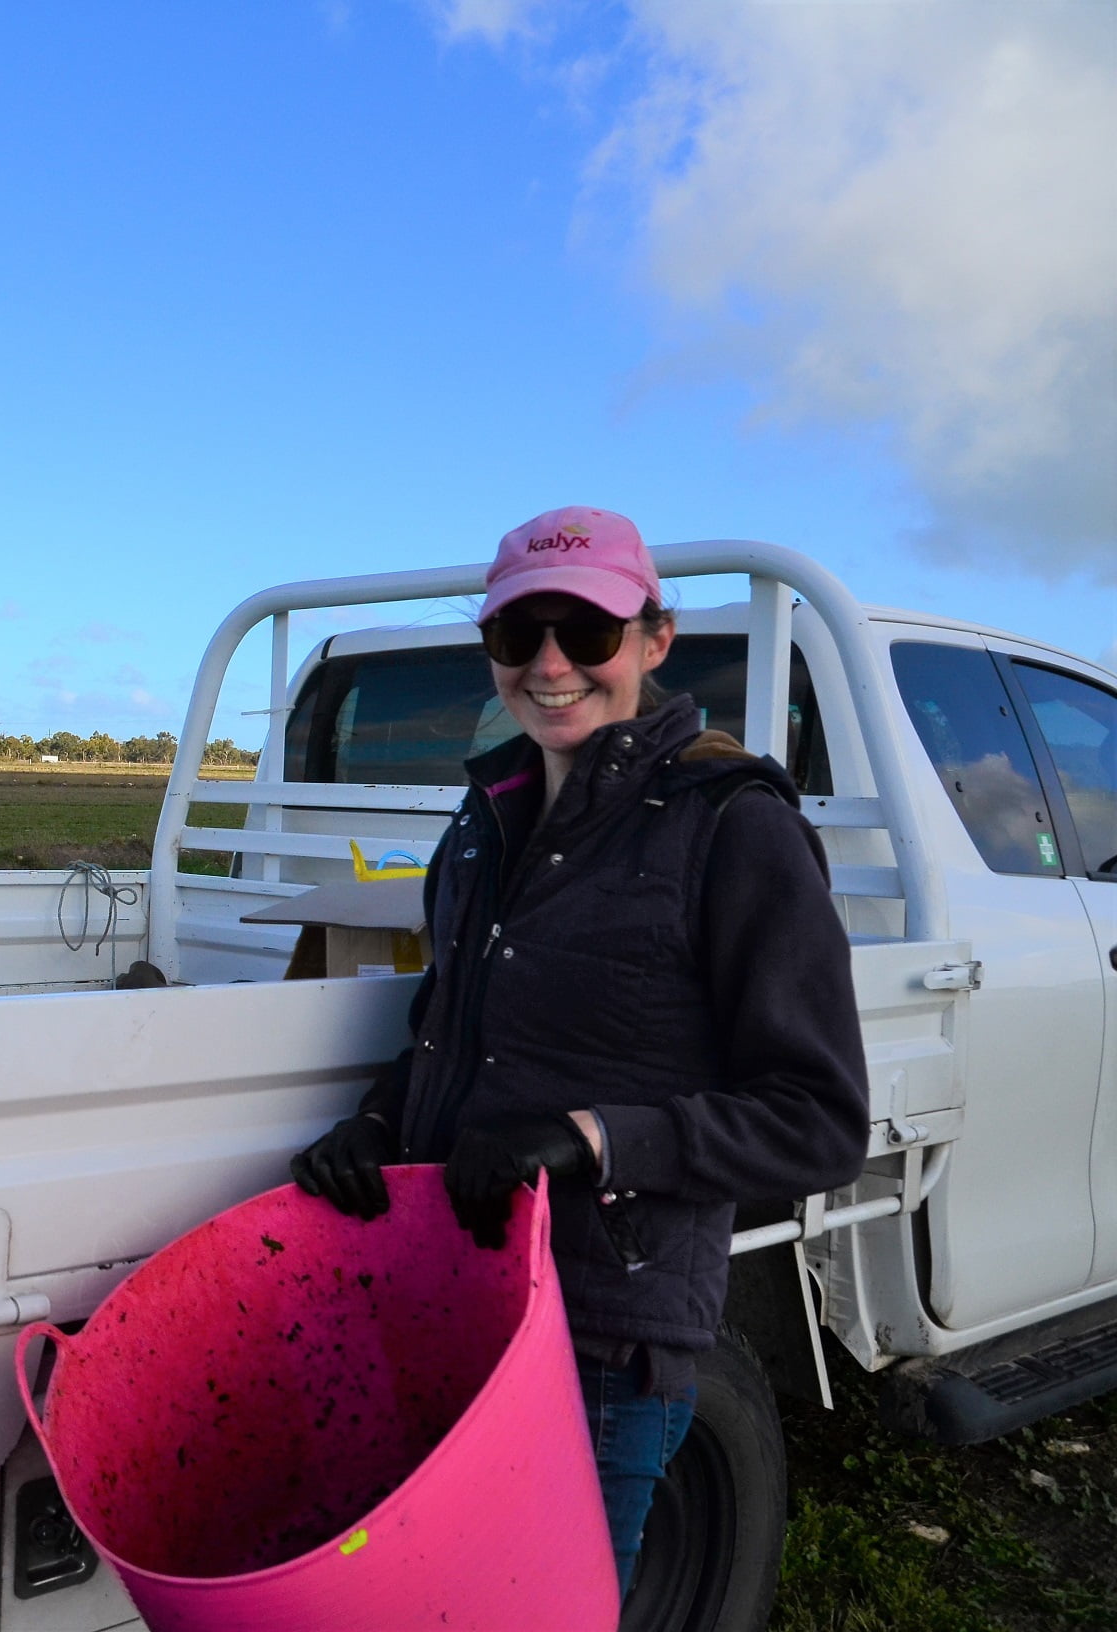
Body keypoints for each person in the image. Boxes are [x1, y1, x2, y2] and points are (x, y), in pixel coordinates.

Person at [288, 506, 868, 1595]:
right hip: (446, 1306)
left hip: (598, 1343)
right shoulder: (480, 822)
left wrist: (589, 1141)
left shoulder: (731, 824)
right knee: (424, 1606)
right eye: (518, 636)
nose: (550, 665)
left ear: (652, 640)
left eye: (587, 632)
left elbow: (817, 1119)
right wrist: (375, 1119)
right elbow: (452, 1034)